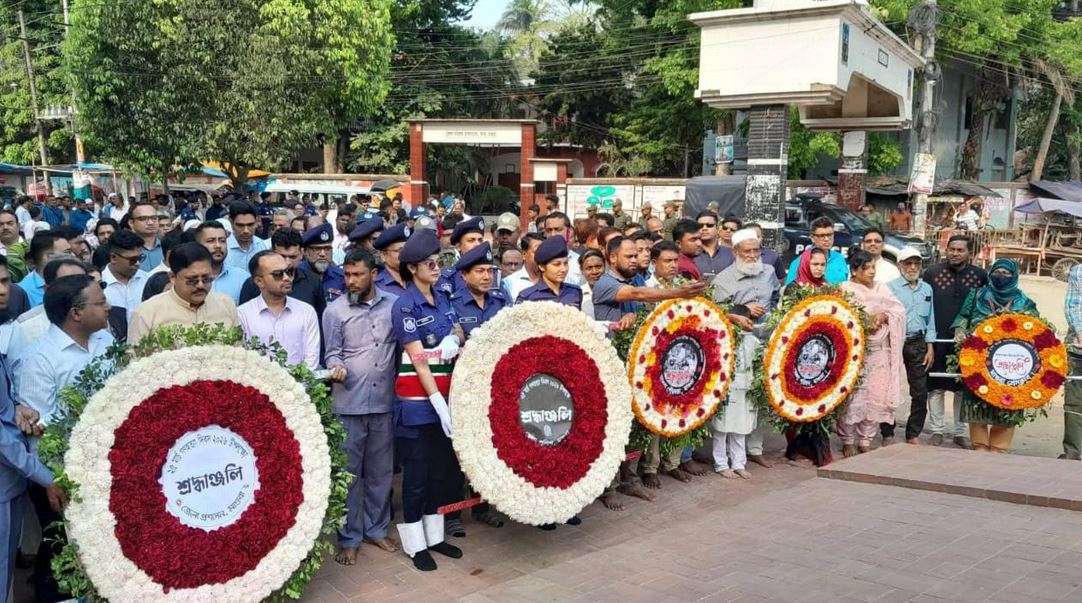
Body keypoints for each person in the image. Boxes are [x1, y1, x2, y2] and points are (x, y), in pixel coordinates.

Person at [18, 274, 112, 600]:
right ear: (76, 312)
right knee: (62, 558)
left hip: (107, 468)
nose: (108, 307)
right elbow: (39, 433)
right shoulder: (38, 359)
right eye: (100, 303)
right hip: (63, 478)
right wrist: (53, 480)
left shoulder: (105, 342)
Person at [391, 229, 464, 572]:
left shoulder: (443, 295)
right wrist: (435, 400)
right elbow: (417, 357)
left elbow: (458, 329)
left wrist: (453, 337)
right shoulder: (404, 304)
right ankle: (415, 543)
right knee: (416, 476)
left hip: (445, 400)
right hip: (419, 404)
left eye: (439, 261)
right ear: (412, 268)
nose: (437, 268)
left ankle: (435, 536)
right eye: (430, 263)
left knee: (437, 473)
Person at [323, 249, 399, 565]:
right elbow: (332, 353)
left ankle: (377, 530)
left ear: (374, 274)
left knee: (381, 473)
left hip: (384, 402)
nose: (351, 281)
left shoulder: (394, 306)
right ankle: (349, 537)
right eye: (347, 275)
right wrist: (336, 366)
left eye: (358, 274)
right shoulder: (334, 311)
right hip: (348, 403)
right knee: (349, 476)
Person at [0, 260, 67, 603]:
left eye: (4, 281)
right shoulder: (31, 337)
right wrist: (45, 477)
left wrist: (14, 407)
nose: (2, 291)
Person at [952, 259, 1036, 453]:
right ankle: (979, 446)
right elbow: (963, 316)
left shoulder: (1024, 302)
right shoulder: (977, 295)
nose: (1001, 276)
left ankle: (999, 449)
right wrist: (960, 330)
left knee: (1006, 401)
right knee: (978, 399)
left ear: (1014, 276)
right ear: (990, 273)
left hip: (1010, 364)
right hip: (979, 359)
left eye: (1006, 273)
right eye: (997, 271)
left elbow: (1035, 329)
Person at [838, 250, 907, 456]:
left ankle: (866, 438)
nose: (870, 272)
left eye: (873, 268)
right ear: (854, 271)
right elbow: (839, 315)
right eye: (865, 268)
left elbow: (899, 312)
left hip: (879, 353)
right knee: (852, 397)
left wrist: (883, 315)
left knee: (877, 395)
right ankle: (848, 439)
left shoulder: (882, 288)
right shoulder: (844, 289)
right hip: (855, 352)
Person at [925, 236, 986, 448]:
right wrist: (928, 338)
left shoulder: (980, 276)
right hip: (937, 336)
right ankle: (936, 430)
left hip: (966, 341)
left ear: (969, 253)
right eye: (952, 249)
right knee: (936, 385)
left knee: (962, 386)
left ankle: (960, 432)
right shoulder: (932, 273)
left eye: (960, 250)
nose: (955, 253)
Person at [128, 243, 238, 343]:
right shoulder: (147, 313)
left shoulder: (226, 304)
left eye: (206, 279)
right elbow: (135, 360)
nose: (200, 285)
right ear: (173, 277)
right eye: (192, 280)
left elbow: (239, 353)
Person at [238, 251, 320, 369]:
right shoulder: (243, 314)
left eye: (289, 272)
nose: (287, 278)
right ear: (259, 281)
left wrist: (295, 385)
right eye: (278, 274)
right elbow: (243, 360)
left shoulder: (306, 312)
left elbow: (311, 360)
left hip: (300, 386)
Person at [889, 248, 937, 445]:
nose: (912, 267)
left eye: (916, 263)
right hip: (895, 342)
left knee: (920, 390)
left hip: (918, 343)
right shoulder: (890, 288)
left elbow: (931, 318)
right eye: (908, 263)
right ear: (900, 265)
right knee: (891, 388)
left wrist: (930, 346)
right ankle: (887, 432)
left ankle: (913, 433)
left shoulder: (926, 289)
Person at [7, 257, 89, 373]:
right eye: (67, 284)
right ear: (47, 289)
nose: (76, 290)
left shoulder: (98, 316)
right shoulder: (25, 327)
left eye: (82, 283)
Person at [711, 306, 759, 479]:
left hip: (746, 388)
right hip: (727, 389)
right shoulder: (722, 338)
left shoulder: (754, 341)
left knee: (741, 427)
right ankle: (721, 464)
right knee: (722, 428)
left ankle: (739, 463)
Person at [238, 229, 325, 317]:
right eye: (282, 256)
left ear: (301, 253)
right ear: (271, 252)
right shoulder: (254, 283)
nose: (287, 262)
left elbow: (320, 319)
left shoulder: (313, 281)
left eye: (292, 257)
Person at [451, 243, 507, 338]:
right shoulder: (453, 304)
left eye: (490, 271)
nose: (487, 277)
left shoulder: (500, 300)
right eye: (480, 271)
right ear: (464, 275)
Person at [515, 237, 581, 308]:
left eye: (565, 263)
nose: (563, 269)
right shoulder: (527, 297)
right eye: (557, 264)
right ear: (542, 267)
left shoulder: (575, 292)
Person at [101, 229, 150, 321]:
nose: (137, 263)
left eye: (140, 258)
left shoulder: (147, 280)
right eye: (133, 259)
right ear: (113, 258)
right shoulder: (100, 285)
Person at [194, 221, 247, 304]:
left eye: (222, 241)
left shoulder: (242, 278)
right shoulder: (188, 279)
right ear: (197, 245)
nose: (218, 246)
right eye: (211, 241)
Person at [785, 217, 848, 285]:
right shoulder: (800, 262)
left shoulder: (839, 258)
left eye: (829, 235)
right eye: (822, 236)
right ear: (812, 238)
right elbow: (790, 290)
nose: (826, 239)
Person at [17, 232, 72, 307]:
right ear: (48, 257)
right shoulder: (22, 291)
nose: (73, 256)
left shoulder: (76, 279)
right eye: (67, 252)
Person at [300, 224, 346, 304]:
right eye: (317, 249)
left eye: (327, 249)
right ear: (305, 252)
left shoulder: (341, 277)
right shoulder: (296, 276)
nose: (323, 254)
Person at [1063, 264, 1082, 460]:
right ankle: (1073, 451)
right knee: (1075, 401)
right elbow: (1073, 305)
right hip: (1079, 346)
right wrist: (1080, 332)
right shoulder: (1079, 271)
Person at [541, 212, 585, 286]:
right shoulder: (539, 262)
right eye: (549, 230)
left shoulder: (579, 262)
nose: (553, 234)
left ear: (569, 231)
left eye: (557, 229)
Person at [225, 202, 269, 272]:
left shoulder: (262, 246)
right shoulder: (224, 249)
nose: (246, 231)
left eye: (250, 225)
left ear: (256, 221)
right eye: (240, 225)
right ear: (231, 222)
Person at [502, 233, 544, 301]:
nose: (542, 256)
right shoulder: (508, 283)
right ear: (524, 254)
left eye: (544, 252)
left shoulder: (553, 280)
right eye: (537, 252)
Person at [373, 223, 410, 298]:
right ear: (383, 256)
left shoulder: (417, 279)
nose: (406, 254)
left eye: (408, 249)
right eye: (400, 250)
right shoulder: (376, 286)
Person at [693, 211, 733, 281]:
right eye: (700, 226)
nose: (704, 228)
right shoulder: (689, 255)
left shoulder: (731, 253)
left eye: (709, 225)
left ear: (717, 228)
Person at [127, 202, 163, 272]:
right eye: (143, 218)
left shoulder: (168, 248)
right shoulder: (125, 251)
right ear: (131, 223)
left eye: (154, 218)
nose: (150, 222)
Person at [578, 248, 606, 320]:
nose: (594, 272)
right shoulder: (578, 294)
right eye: (589, 268)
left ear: (605, 267)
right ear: (582, 271)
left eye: (598, 267)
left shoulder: (617, 290)